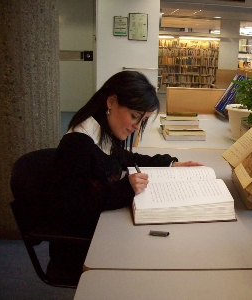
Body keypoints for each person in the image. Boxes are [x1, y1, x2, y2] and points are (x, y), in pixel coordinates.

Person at [45, 71, 203, 283]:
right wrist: (125, 189)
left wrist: (169, 164)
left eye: (142, 120)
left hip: (102, 229)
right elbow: (70, 212)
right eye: (135, 117)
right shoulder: (78, 145)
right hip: (82, 246)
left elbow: (125, 158)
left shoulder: (100, 129)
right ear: (111, 102)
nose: (137, 127)